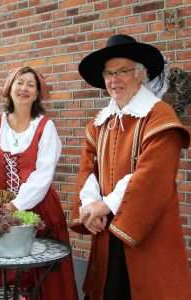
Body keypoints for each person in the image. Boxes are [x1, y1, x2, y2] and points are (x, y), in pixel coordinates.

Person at [70, 34, 191, 300]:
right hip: (104, 231)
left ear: (140, 74)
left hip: (146, 229)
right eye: (109, 74)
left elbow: (152, 175)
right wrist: (90, 204)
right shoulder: (100, 122)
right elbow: (87, 168)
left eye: (122, 71)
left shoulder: (159, 116)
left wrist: (106, 205)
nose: (114, 80)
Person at [0, 66, 78, 300]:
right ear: (9, 88)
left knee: (44, 282)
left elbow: (42, 176)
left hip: (40, 210)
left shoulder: (45, 127)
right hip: (3, 211)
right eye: (19, 82)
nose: (24, 88)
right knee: (4, 278)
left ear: (38, 93)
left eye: (31, 84)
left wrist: (16, 205)